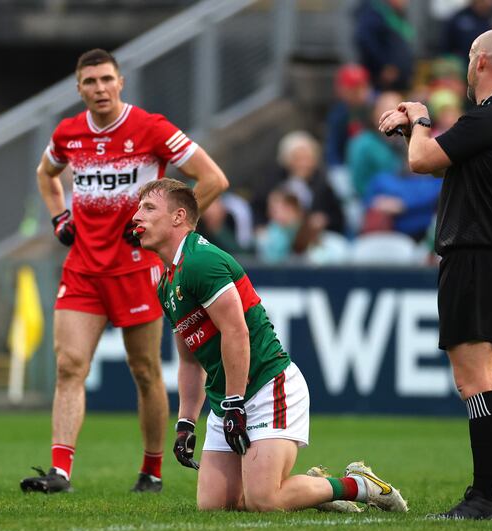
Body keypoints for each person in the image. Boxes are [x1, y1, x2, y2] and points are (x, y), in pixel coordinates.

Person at [20, 48, 230, 494]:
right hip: (82, 268)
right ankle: (60, 472)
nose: (99, 88)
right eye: (90, 82)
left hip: (136, 271)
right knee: (69, 365)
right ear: (78, 89)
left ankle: (152, 470)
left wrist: (171, 233)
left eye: (106, 79)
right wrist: (59, 216)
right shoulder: (68, 134)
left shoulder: (151, 129)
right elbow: (46, 172)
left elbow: (212, 179)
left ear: (121, 83)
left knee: (145, 371)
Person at [131, 178, 408, 513]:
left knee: (264, 500)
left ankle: (359, 485)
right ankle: (318, 489)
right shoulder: (167, 282)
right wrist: (186, 422)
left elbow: (237, 333)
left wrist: (235, 404)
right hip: (228, 397)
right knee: (215, 506)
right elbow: (190, 361)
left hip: (267, 387)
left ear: (178, 217)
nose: (136, 216)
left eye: (147, 208)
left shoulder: (200, 262)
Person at [378, 28, 492, 520]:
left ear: (479, 62)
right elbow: (443, 165)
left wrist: (419, 118)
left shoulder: (487, 117)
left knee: (473, 380)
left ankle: (484, 496)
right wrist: (412, 129)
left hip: (474, 258)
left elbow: (421, 160)